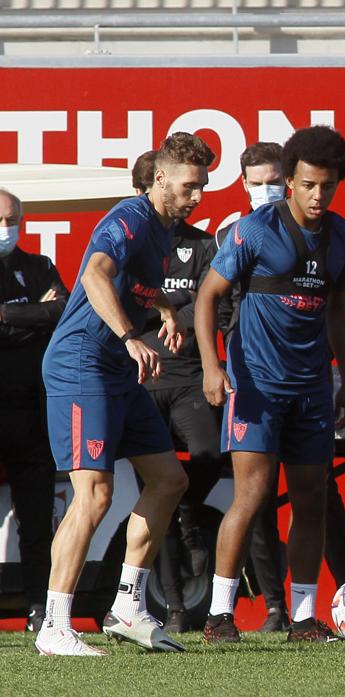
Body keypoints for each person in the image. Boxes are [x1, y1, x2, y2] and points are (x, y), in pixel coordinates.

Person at [35, 132, 214, 656]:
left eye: (201, 186)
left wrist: (162, 310)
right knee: (93, 493)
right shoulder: (130, 218)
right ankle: (55, 625)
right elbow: (95, 274)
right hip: (82, 365)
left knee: (169, 479)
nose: (198, 195)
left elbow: (137, 285)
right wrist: (132, 336)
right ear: (160, 179)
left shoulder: (163, 230)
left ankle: (128, 606)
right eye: (190, 185)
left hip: (118, 370)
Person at [195, 126, 345, 644]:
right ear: (289, 182)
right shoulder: (254, 230)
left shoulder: (343, 236)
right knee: (253, 493)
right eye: (308, 184)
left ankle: (304, 619)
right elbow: (207, 297)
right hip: (257, 386)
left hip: (311, 388)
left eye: (327, 186)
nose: (317, 195)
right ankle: (220, 615)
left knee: (312, 497)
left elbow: (338, 310)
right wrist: (212, 367)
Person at [129, 151, 223, 633]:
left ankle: (191, 510)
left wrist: (175, 311)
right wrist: (160, 309)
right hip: (143, 382)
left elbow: (212, 305)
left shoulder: (204, 243)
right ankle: (173, 608)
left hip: (188, 378)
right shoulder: (133, 241)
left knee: (208, 453)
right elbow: (124, 302)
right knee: (154, 491)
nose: (194, 198)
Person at [0, 188, 68, 632]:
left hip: (32, 412)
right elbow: (43, 315)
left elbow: (62, 310)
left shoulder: (39, 265)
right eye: (0, 220)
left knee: (38, 521)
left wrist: (5, 316)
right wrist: (31, 317)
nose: (6, 229)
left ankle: (41, 609)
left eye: (12, 220)